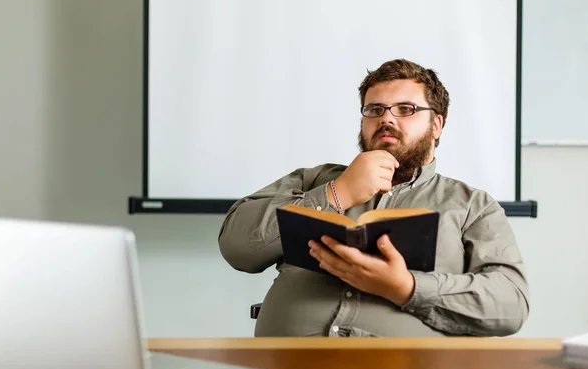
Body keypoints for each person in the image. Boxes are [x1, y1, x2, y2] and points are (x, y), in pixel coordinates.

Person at [218, 59, 529, 337]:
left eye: (406, 109)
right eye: (375, 110)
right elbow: (236, 246)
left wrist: (406, 288)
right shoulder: (313, 180)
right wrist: (336, 193)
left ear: (436, 125)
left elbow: (510, 303)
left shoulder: (472, 205)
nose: (386, 119)